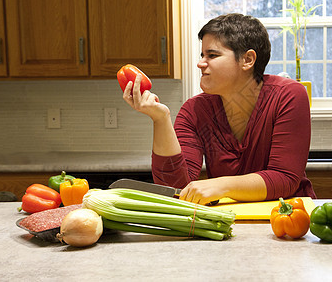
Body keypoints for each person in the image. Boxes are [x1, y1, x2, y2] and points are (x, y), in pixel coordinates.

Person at [123, 13, 315, 205]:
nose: (200, 63)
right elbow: (177, 189)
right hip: (230, 221)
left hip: (289, 219)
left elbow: (284, 178)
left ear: (247, 59)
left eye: (212, 55)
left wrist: (222, 185)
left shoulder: (288, 95)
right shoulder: (194, 111)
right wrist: (161, 119)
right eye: (202, 55)